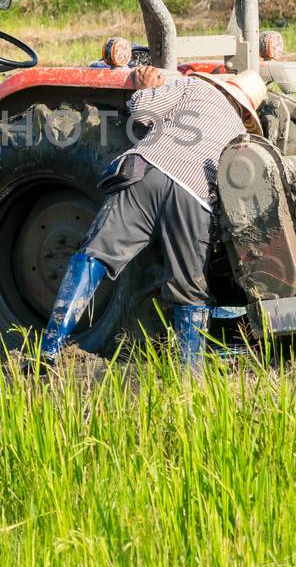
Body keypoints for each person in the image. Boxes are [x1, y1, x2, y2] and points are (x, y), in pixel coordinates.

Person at [39, 64, 248, 368]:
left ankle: (51, 348)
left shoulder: (196, 88)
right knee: (191, 290)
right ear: (245, 112)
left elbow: (142, 110)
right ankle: (191, 375)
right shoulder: (240, 135)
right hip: (196, 195)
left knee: (95, 254)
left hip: (149, 170)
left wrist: (144, 87)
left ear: (221, 86)